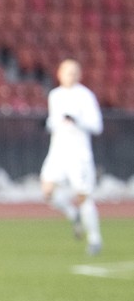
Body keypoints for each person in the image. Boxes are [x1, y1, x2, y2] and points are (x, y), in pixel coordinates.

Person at [41, 59, 104, 256]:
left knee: (83, 195)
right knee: (47, 191)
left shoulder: (85, 96)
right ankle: (72, 213)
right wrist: (48, 124)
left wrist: (77, 121)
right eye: (67, 72)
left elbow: (97, 126)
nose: (70, 76)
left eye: (74, 72)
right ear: (59, 74)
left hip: (79, 154)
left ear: (79, 74)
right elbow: (54, 121)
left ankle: (94, 239)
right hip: (58, 151)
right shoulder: (55, 95)